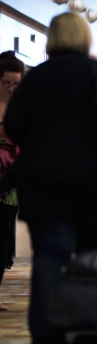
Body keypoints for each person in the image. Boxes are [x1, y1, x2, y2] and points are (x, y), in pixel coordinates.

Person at [3, 12, 97, 344]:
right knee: (89, 257)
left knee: (49, 256)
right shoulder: (96, 73)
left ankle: (44, 337)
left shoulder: (36, 78)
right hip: (89, 185)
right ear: (85, 38)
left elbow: (13, 124)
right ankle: (83, 324)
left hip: (41, 184)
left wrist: (40, 141)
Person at [0, 51, 24, 311]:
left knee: (2, 240)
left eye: (16, 83)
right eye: (7, 82)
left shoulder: (21, 108)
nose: (11, 87)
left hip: (10, 184)